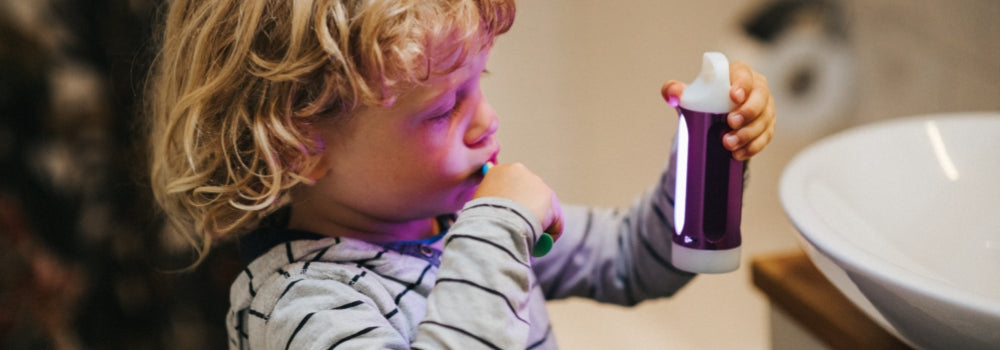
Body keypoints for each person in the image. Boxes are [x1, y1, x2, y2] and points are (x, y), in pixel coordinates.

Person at [147, 0, 776, 349]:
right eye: (447, 107)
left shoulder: (453, 219)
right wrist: (494, 233)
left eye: (481, 85)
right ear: (298, 145)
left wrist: (711, 154)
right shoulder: (301, 311)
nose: (488, 121)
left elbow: (638, 260)